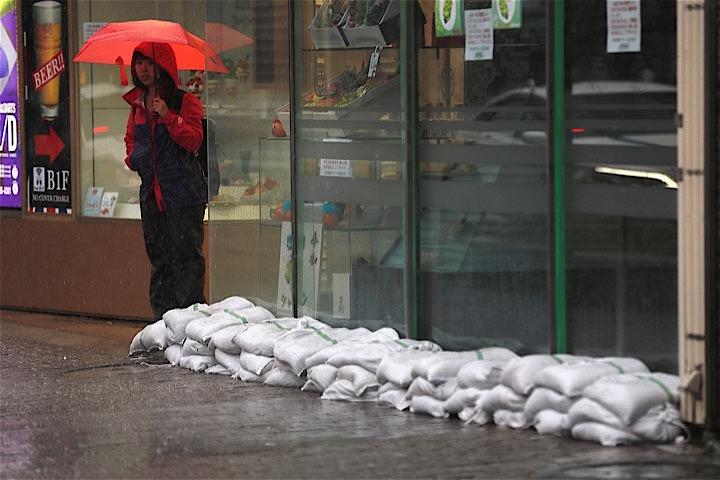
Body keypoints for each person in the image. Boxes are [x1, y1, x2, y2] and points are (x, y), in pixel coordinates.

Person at [123, 42, 207, 321]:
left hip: (182, 195)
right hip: (151, 197)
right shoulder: (136, 105)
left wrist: (169, 117)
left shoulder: (185, 102)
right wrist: (134, 158)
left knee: (186, 262)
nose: (143, 69)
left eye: (149, 63)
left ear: (164, 67)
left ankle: (191, 327)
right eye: (138, 63)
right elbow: (131, 141)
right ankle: (163, 324)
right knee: (160, 263)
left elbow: (194, 139)